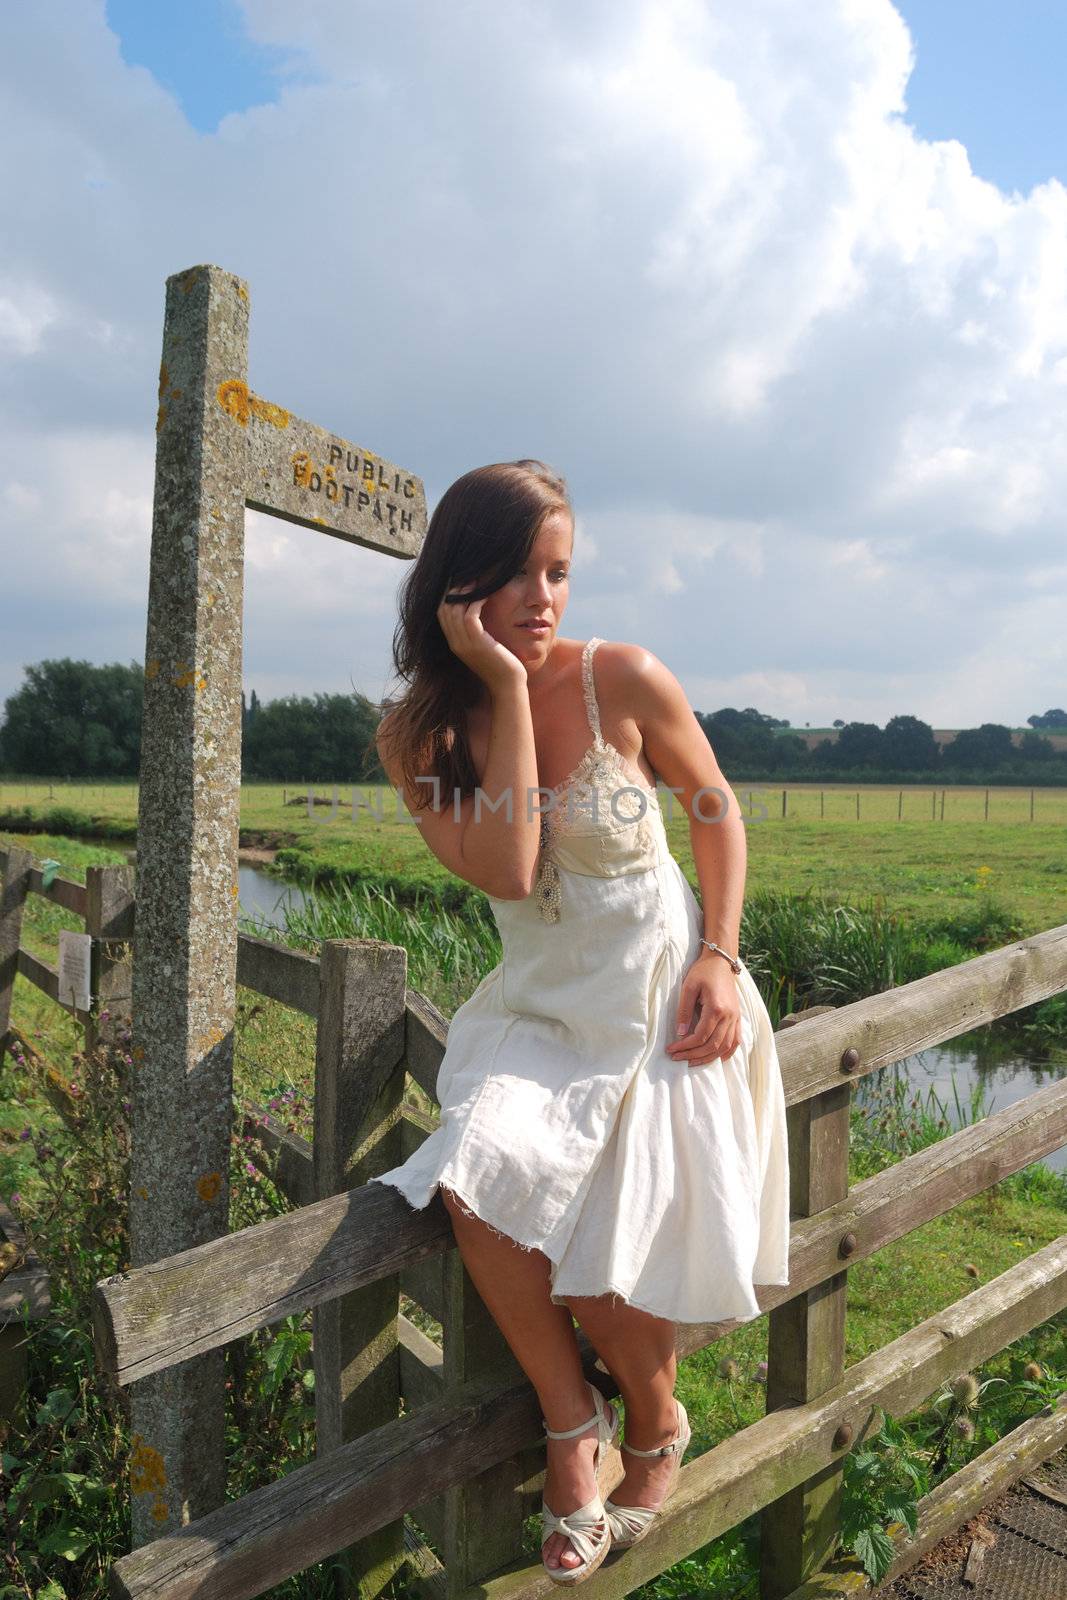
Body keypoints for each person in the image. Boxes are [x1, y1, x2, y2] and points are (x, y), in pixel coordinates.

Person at [368, 459, 790, 1584]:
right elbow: (509, 869)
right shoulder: (416, 737)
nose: (545, 597)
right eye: (517, 573)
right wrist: (502, 690)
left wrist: (718, 950)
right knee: (475, 1176)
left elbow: (715, 808)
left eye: (557, 571)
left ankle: (654, 1424)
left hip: (659, 996)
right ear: (459, 585)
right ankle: (574, 1425)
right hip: (539, 1008)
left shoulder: (623, 676)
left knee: (603, 1258)